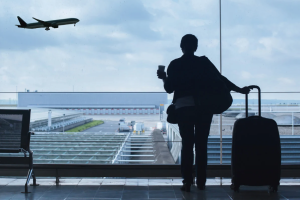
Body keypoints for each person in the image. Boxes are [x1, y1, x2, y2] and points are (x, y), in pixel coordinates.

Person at [157, 34, 250, 192]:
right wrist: (240, 90)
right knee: (201, 145)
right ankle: (201, 182)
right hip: (203, 108)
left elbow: (169, 88)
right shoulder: (203, 62)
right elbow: (221, 79)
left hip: (183, 108)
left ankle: (187, 181)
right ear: (196, 47)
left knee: (187, 144)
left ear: (181, 46)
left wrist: (164, 77)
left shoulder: (175, 64)